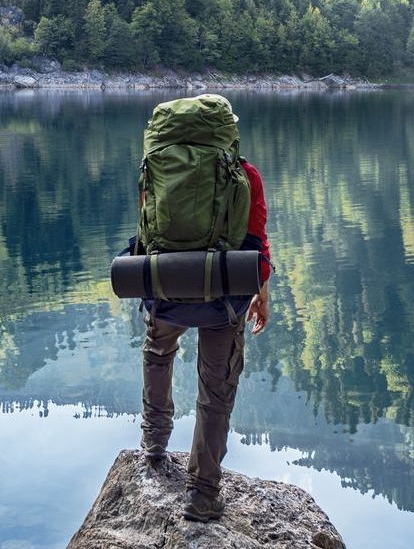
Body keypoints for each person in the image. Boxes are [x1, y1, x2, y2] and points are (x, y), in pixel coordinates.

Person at [137, 94, 273, 523]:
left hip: (164, 289)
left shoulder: (155, 171)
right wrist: (261, 293)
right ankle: (202, 492)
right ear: (227, 133)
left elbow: (146, 227)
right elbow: (257, 238)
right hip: (223, 294)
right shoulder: (245, 174)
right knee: (216, 390)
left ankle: (154, 443)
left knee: (158, 353)